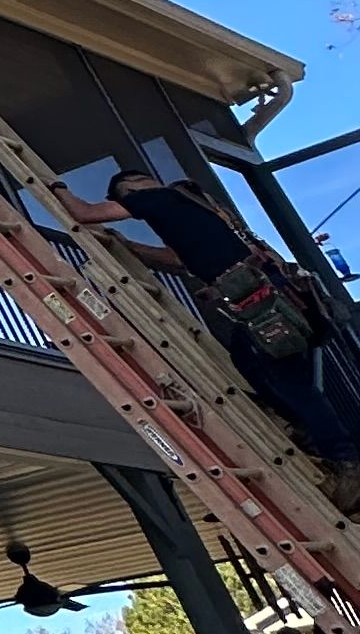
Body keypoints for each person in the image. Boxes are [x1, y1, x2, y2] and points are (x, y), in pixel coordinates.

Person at [59, 163, 360, 467]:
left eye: (125, 196)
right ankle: (309, 433)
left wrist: (57, 188)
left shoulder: (153, 197)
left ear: (134, 187)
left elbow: (84, 213)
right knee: (248, 361)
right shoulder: (191, 203)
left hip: (260, 302)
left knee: (290, 380)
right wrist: (131, 246)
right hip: (269, 295)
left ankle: (341, 455)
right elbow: (177, 259)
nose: (129, 202)